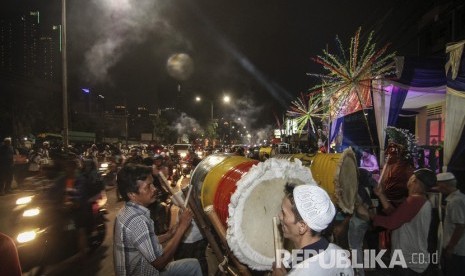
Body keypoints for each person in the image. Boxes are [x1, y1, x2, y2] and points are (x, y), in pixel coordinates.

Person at [114, 163, 202, 276]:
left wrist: (171, 233)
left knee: (193, 265)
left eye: (153, 184)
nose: (154, 189)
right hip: (143, 272)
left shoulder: (127, 210)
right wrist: (182, 228)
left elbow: (146, 241)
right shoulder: (137, 220)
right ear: (132, 195)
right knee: (192, 266)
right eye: (148, 187)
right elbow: (160, 262)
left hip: (143, 268)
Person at [272, 183, 353, 276]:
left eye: (284, 213)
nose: (280, 216)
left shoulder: (301, 272)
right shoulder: (339, 253)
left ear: (302, 226)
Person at [370, 168, 436, 275]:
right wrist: (381, 195)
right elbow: (396, 215)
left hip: (407, 262)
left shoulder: (415, 200)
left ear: (414, 181)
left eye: (411, 177)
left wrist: (369, 215)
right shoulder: (421, 200)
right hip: (410, 260)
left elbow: (391, 223)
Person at [435, 172, 465, 276]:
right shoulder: (458, 198)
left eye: (438, 184)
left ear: (444, 185)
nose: (437, 188)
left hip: (456, 250)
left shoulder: (455, 201)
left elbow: (460, 226)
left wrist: (451, 247)